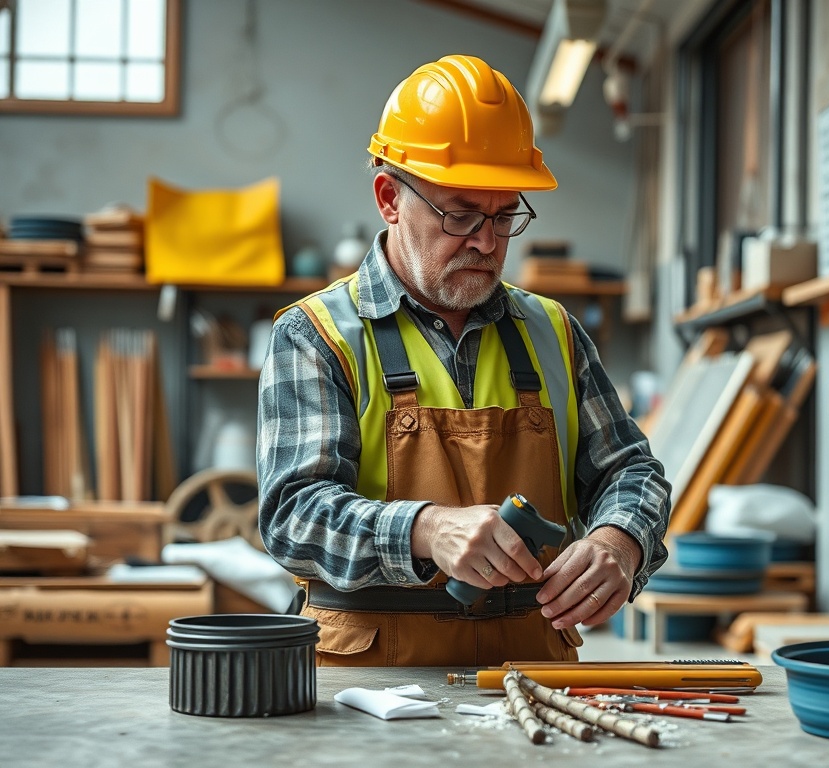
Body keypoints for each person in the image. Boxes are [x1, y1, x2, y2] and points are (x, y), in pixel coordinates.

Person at [257, 54, 670, 667]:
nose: (486, 241)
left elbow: (632, 470)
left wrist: (620, 541)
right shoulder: (315, 335)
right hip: (372, 694)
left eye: (505, 216)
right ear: (389, 198)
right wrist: (426, 529)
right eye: (461, 214)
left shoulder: (553, 331)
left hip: (532, 680)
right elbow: (293, 516)